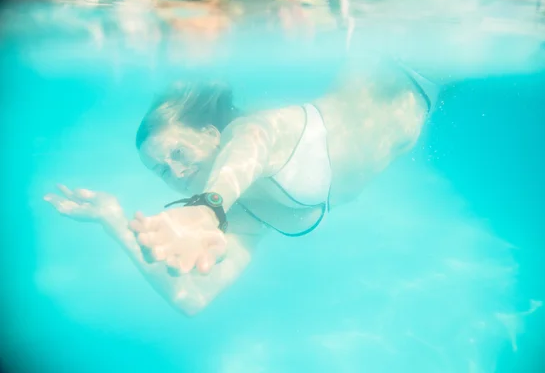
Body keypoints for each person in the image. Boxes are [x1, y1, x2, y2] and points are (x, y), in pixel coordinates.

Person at [44, 58, 439, 316]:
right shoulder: (245, 210)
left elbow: (251, 144)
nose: (176, 171)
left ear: (212, 133)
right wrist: (112, 219)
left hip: (405, 63)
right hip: (430, 92)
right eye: (161, 171)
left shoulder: (260, 131)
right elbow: (192, 299)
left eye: (178, 152)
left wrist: (205, 209)